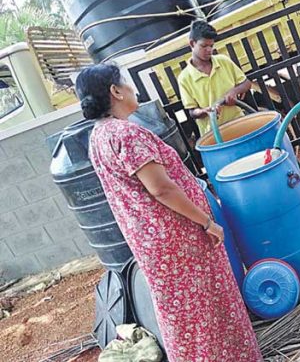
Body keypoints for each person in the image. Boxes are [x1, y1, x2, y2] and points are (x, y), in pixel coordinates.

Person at [76, 64, 262, 362]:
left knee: (185, 318)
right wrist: (206, 222)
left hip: (155, 247)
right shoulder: (127, 134)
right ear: (115, 91)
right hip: (180, 240)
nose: (133, 87)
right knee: (208, 313)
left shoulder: (99, 136)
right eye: (127, 81)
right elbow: (161, 188)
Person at [178, 20, 252, 136]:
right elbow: (192, 111)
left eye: (211, 45)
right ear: (192, 44)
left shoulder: (223, 61)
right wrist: (205, 111)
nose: (209, 50)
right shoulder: (185, 78)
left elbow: (246, 83)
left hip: (238, 124)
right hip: (213, 134)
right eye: (204, 46)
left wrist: (234, 91)